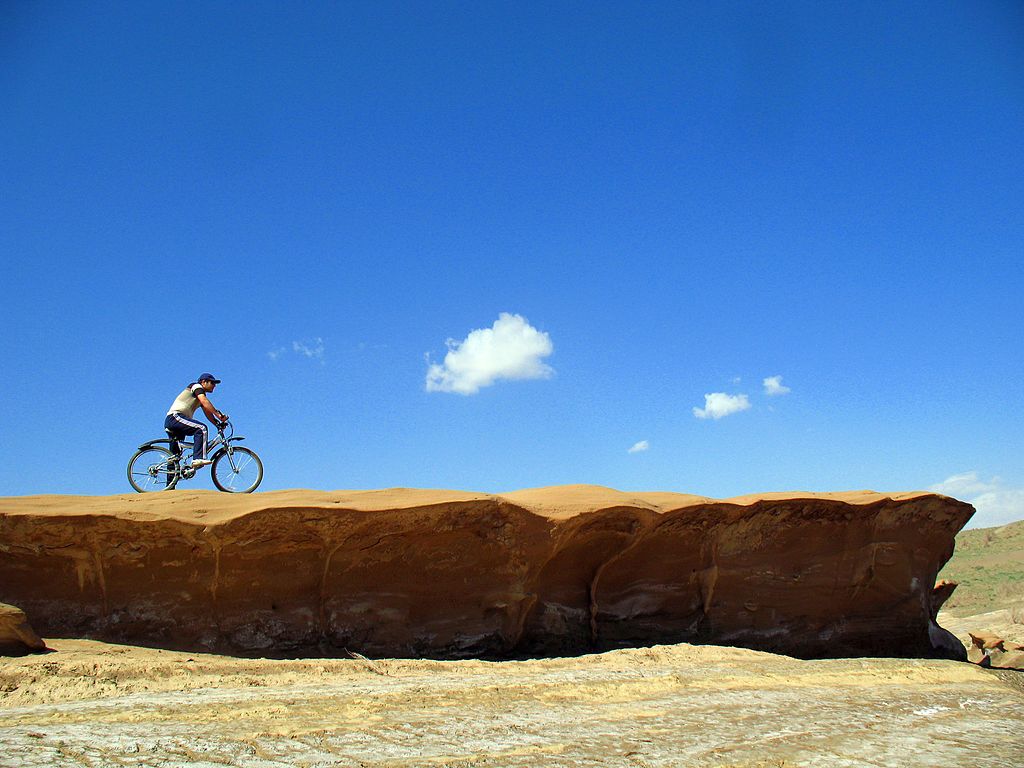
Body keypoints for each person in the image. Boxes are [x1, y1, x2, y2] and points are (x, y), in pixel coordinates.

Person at [165, 373, 229, 468]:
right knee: (201, 428)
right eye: (212, 383)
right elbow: (204, 401)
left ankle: (170, 481)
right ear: (203, 382)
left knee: (175, 457)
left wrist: (217, 424)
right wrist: (219, 415)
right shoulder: (196, 386)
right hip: (175, 417)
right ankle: (198, 458)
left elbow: (208, 413)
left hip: (177, 422)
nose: (214, 385)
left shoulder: (200, 396)